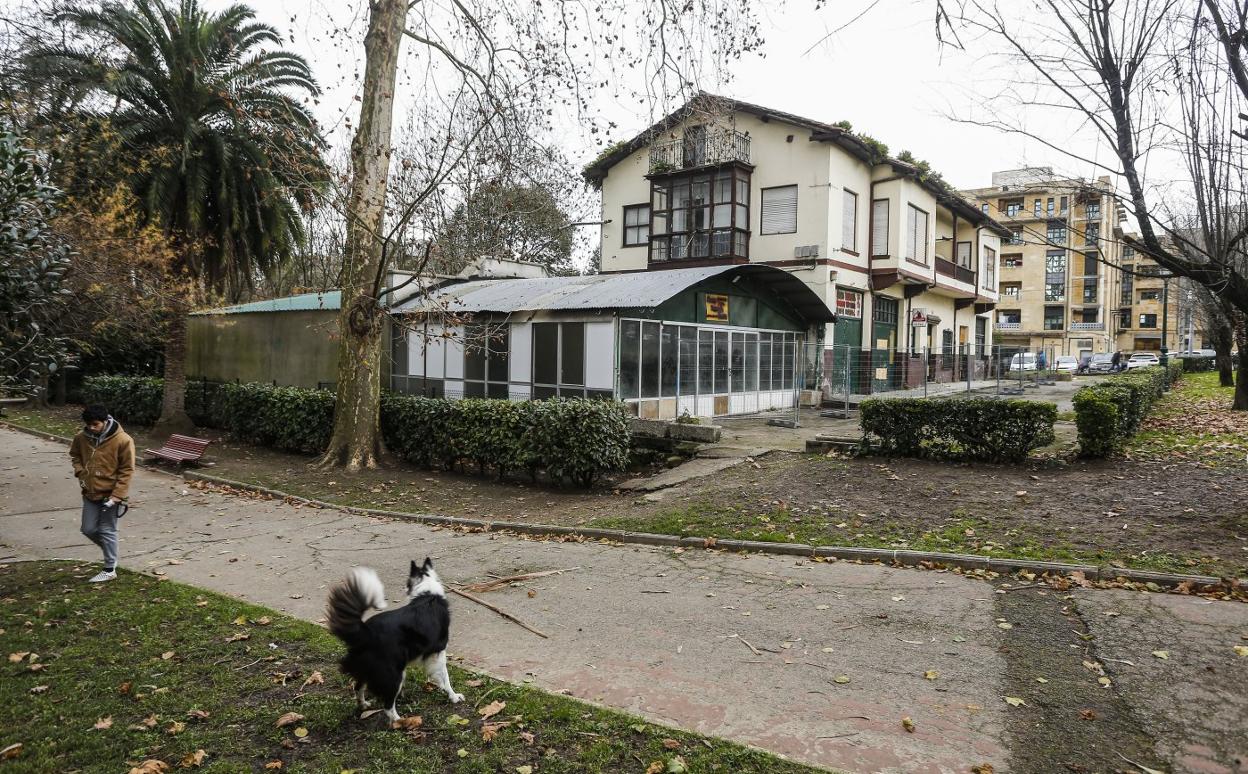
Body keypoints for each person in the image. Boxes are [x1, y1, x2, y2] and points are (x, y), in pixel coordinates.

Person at [69, 405, 135, 583]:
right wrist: (80, 471)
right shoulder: (81, 438)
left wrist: (117, 496)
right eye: (88, 424)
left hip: (111, 495)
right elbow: (74, 455)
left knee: (107, 530)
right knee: (88, 529)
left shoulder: (123, 440)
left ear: (105, 421)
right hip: (89, 492)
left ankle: (109, 569)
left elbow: (127, 470)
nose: (91, 428)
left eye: (95, 424)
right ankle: (110, 551)